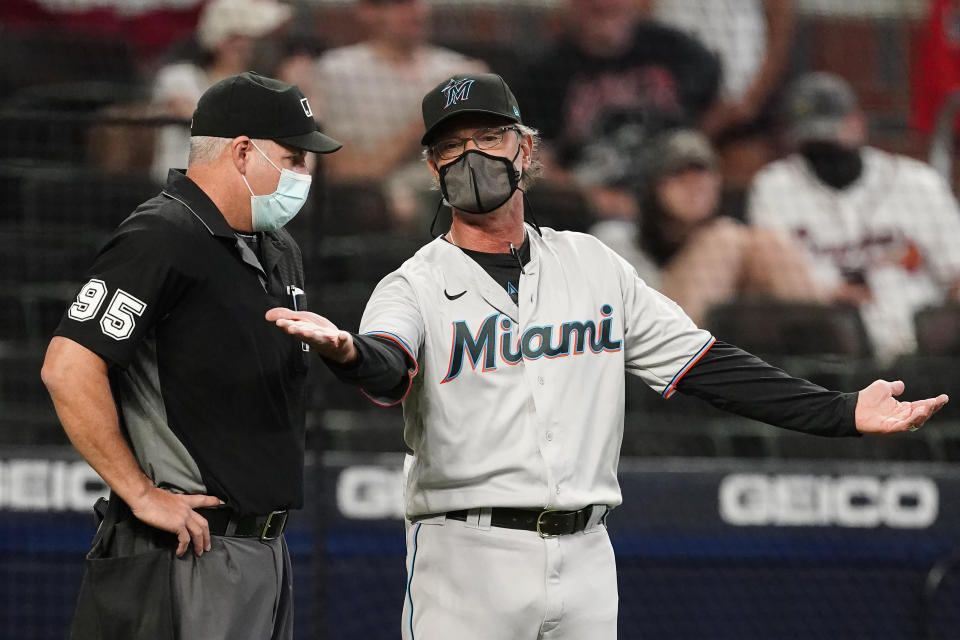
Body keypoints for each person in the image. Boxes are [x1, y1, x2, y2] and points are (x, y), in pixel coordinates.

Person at [266, 72, 947, 640]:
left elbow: (705, 366)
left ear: (526, 149)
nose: (471, 155)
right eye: (452, 145)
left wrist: (841, 410)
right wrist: (350, 353)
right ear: (431, 166)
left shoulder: (593, 265)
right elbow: (388, 365)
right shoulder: (412, 283)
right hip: (466, 554)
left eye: (489, 137)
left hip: (588, 554)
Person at [41, 72, 341, 640]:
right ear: (244, 151)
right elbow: (68, 365)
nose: (307, 174)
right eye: (296, 158)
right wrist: (137, 491)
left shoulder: (277, 248)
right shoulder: (162, 233)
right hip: (187, 551)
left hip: (265, 550)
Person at [748, 72, 960, 362]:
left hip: (922, 353)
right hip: (825, 354)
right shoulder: (776, 186)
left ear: (857, 123)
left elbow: (956, 274)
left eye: (831, 132)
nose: (823, 146)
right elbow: (768, 276)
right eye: (811, 138)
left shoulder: (917, 183)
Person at [591, 127, 821, 324]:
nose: (695, 186)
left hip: (721, 354)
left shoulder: (742, 245)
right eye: (680, 175)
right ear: (653, 187)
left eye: (702, 175)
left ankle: (831, 363)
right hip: (650, 354)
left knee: (766, 241)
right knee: (725, 238)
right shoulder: (615, 239)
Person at [516, 0, 720, 221]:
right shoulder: (543, 72)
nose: (604, 4)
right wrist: (596, 198)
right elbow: (534, 161)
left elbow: (714, 117)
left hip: (677, 206)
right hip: (593, 216)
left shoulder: (677, 52)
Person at [308, 0, 486, 230]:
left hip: (459, 199)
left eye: (420, 2)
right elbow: (341, 171)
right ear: (368, 11)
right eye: (402, 3)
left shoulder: (461, 71)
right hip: (381, 212)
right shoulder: (338, 71)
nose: (418, 11)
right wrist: (428, 118)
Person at [650, 0, 795, 189]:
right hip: (671, 103)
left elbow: (781, 21)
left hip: (740, 102)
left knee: (743, 175)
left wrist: (750, 100)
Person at [151, 0, 293, 182]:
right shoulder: (179, 77)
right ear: (220, 41)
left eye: (249, 39)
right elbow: (197, 116)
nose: (246, 46)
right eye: (237, 38)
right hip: (180, 191)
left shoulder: (260, 89)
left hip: (235, 193)